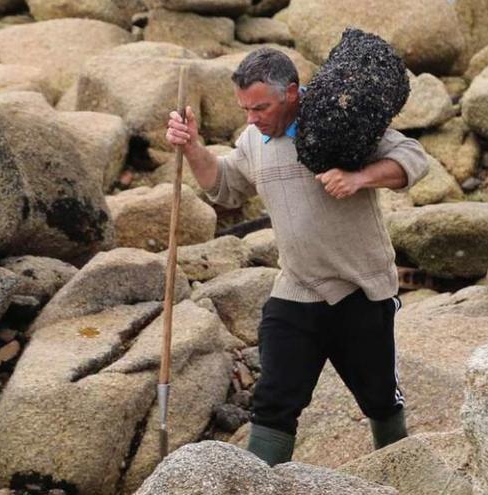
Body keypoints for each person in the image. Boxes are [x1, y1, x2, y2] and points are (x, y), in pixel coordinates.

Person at [165, 47, 429, 466]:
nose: (252, 117)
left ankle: (402, 475)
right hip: (297, 288)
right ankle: (257, 484)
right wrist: (193, 147)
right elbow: (225, 186)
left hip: (361, 288)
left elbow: (413, 159)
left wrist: (360, 177)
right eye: (245, 108)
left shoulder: (338, 119)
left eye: (261, 107)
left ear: (291, 92)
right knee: (273, 402)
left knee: (380, 400)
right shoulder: (254, 139)